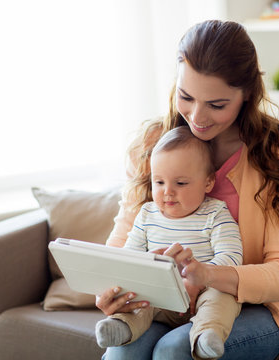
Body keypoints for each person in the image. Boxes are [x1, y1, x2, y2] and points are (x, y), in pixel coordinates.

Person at [96, 19, 279, 360]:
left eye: (217, 104)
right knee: (122, 352)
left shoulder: (278, 155)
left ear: (247, 95)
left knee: (175, 351)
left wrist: (208, 275)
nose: (197, 116)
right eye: (186, 97)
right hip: (165, 302)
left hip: (257, 306)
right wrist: (110, 288)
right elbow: (124, 237)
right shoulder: (151, 146)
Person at [95, 126, 243, 359]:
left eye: (181, 183)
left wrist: (200, 274)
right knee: (138, 298)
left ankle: (206, 336)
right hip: (158, 296)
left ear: (208, 182)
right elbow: (128, 259)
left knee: (221, 299)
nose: (167, 192)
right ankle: (121, 328)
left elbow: (232, 257)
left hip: (203, 293)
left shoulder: (215, 213)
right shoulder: (146, 215)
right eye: (159, 182)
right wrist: (149, 260)